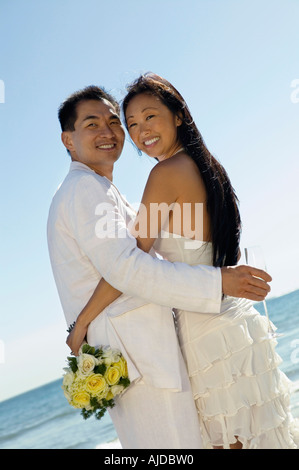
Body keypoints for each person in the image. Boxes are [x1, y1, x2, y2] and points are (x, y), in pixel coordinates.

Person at [67, 75, 299, 449]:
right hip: (236, 324)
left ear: (177, 115)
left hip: (207, 334)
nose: (142, 131)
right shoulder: (203, 165)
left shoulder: (165, 173)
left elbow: (128, 263)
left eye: (150, 116)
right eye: (133, 124)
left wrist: (83, 321)